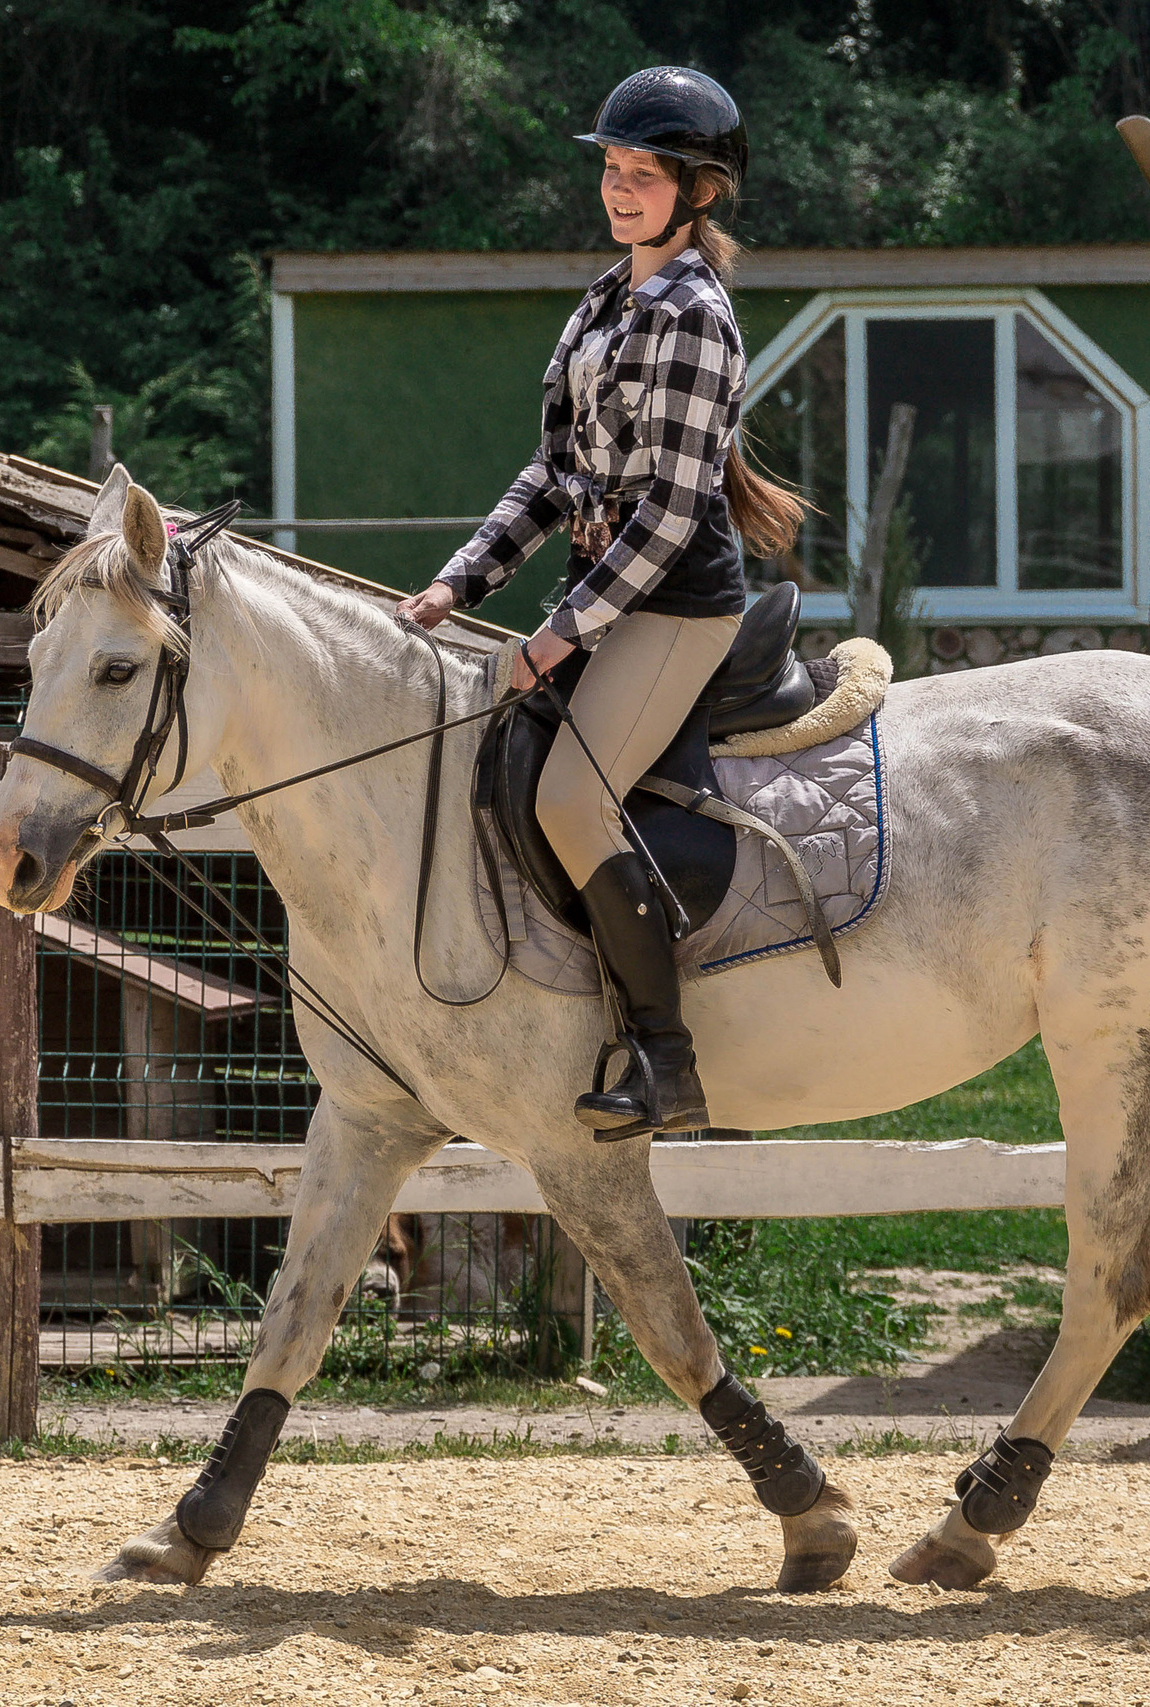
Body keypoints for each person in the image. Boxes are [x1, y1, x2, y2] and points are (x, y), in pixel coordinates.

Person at [394, 67, 803, 1138]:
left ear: (698, 192)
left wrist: (556, 636)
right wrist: (459, 579)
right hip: (608, 592)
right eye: (612, 170)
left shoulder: (696, 317)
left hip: (677, 605)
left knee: (571, 801)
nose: (618, 191)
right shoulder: (606, 299)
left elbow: (668, 516)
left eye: (642, 175)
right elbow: (552, 473)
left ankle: (667, 1061)